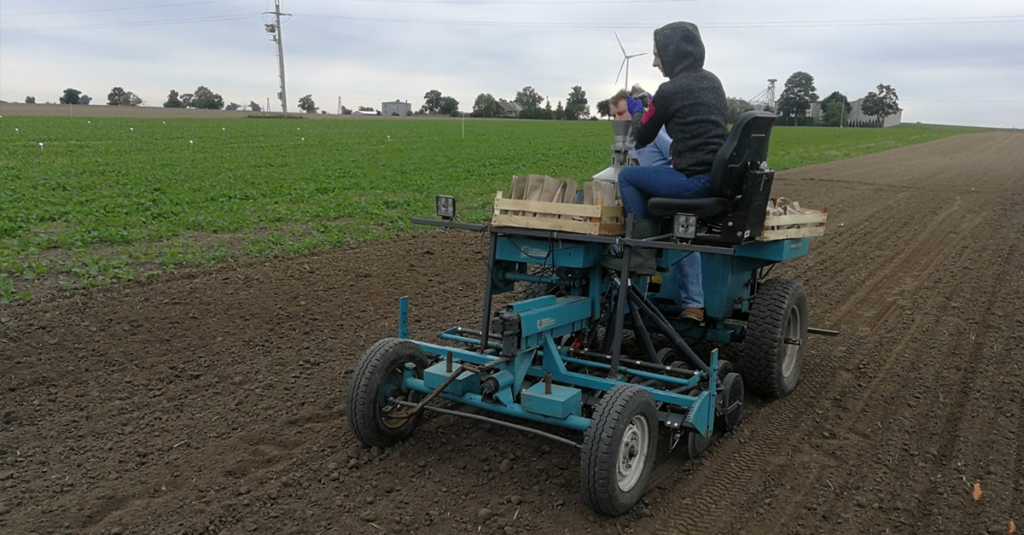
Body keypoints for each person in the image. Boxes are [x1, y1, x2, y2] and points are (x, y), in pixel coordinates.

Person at [616, 22, 728, 323]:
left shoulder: (669, 90)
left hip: (692, 182)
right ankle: (690, 301)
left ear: (674, 54)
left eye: (658, 55)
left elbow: (641, 136)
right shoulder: (712, 81)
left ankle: (641, 254)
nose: (654, 62)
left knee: (626, 177)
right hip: (716, 180)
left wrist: (639, 109)